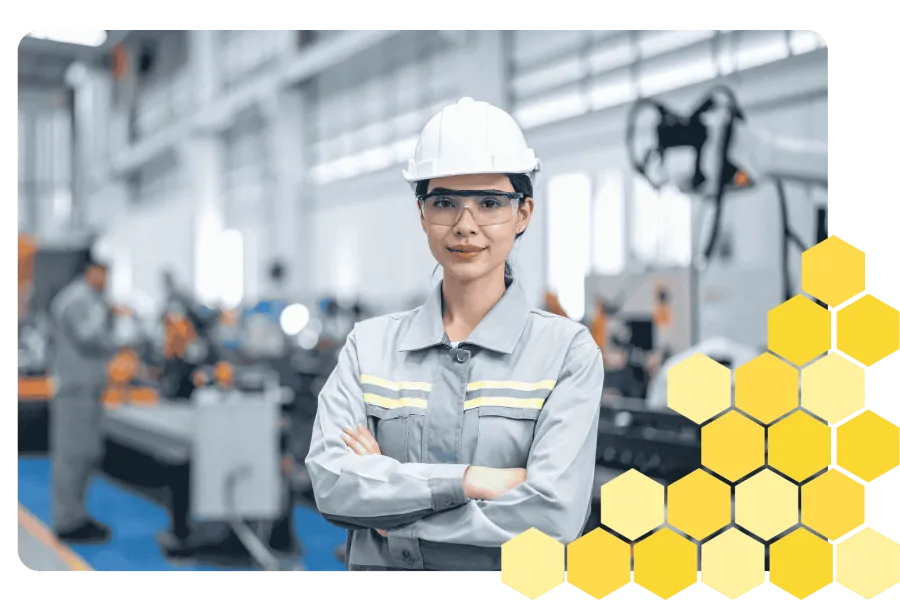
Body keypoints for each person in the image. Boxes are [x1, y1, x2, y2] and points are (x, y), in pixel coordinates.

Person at [306, 97, 605, 573]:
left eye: (490, 203)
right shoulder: (370, 348)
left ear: (523, 213)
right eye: (445, 202)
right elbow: (332, 483)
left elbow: (552, 513)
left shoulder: (566, 353)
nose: (466, 226)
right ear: (422, 214)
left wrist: (395, 509)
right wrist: (473, 480)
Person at [48, 240, 123, 543]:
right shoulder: (78, 300)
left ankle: (77, 514)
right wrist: (110, 313)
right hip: (74, 390)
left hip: (88, 389)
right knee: (72, 455)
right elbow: (89, 336)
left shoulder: (89, 299)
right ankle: (67, 521)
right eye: (103, 273)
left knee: (87, 454)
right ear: (90, 271)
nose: (106, 280)